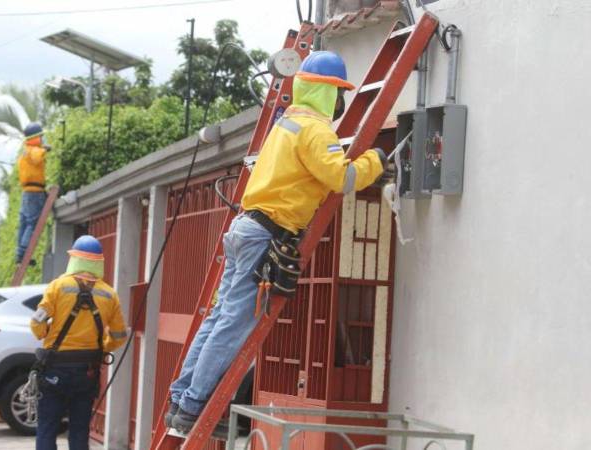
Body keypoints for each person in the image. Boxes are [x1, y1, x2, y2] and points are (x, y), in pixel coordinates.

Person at [167, 51, 388, 436]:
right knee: (233, 325)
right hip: (266, 233)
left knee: (218, 319)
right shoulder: (317, 131)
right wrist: (377, 161)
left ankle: (182, 400)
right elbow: (341, 177)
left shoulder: (287, 123)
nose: (341, 104)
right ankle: (194, 407)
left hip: (246, 227)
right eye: (339, 95)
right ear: (326, 93)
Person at [30, 235, 128, 450]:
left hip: (54, 369)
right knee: (80, 430)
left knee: (47, 426)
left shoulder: (58, 287)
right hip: (87, 372)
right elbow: (120, 336)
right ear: (98, 262)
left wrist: (44, 333)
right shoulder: (110, 294)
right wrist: (103, 348)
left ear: (74, 259)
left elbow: (36, 322)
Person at [16, 122, 50, 265]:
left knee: (24, 224)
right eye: (41, 137)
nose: (43, 139)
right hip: (35, 193)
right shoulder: (34, 149)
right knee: (32, 223)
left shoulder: (24, 152)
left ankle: (20, 254)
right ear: (36, 137)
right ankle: (25, 253)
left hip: (26, 192)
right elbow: (37, 157)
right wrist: (45, 149)